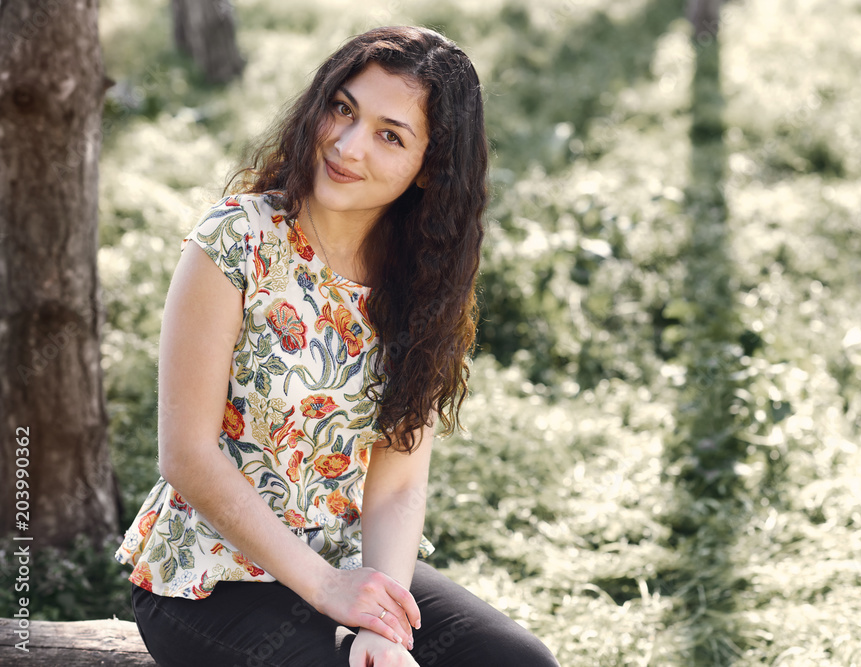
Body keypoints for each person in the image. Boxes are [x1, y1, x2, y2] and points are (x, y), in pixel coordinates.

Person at [114, 25, 560, 667]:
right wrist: (329, 591)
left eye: (390, 135)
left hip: (346, 562)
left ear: (430, 169)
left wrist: (384, 625)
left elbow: (398, 482)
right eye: (343, 108)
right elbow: (186, 455)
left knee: (520, 663)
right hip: (206, 575)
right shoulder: (237, 240)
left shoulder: (424, 282)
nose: (347, 146)